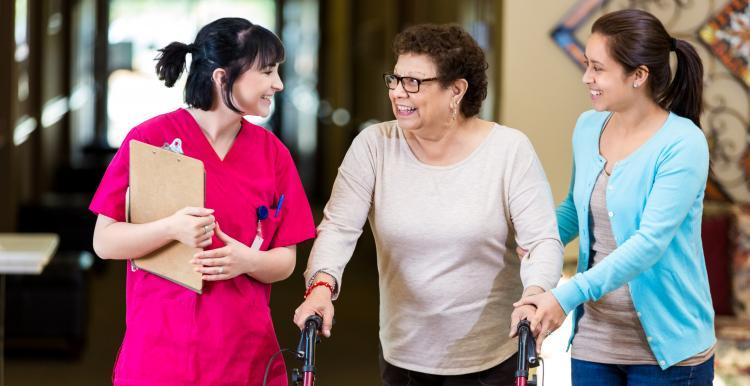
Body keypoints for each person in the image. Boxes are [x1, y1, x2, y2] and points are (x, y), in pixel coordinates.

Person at [293, 23, 563, 385]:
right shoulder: (375, 145)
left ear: (457, 90)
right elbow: (339, 229)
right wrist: (321, 287)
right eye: (395, 79)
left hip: (494, 357)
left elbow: (542, 241)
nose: (398, 92)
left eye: (414, 82)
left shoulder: (508, 151)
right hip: (405, 356)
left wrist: (534, 294)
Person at [90, 18, 315, 385]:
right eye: (268, 72)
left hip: (243, 353)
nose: (279, 84)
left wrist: (248, 260)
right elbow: (104, 241)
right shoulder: (150, 139)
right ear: (223, 77)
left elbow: (285, 260)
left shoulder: (272, 154)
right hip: (161, 352)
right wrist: (170, 228)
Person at [513, 9, 715, 385]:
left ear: (639, 75)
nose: (586, 78)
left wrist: (565, 295)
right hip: (596, 342)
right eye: (587, 65)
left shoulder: (682, 143)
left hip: (669, 352)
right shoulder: (588, 126)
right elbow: (575, 209)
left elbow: (648, 244)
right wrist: (535, 240)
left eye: (598, 68)